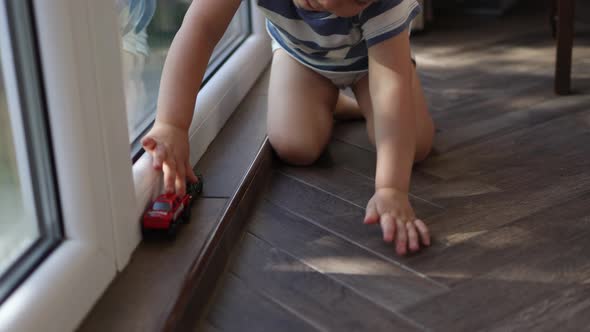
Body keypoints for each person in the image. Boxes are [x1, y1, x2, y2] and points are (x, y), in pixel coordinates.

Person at [141, 0, 435, 256]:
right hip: (303, 59)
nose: (367, 4)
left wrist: (391, 189)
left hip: (377, 65)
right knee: (295, 145)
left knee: (416, 146)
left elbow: (389, 90)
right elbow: (200, 28)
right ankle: (332, 103)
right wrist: (172, 124)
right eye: (358, 0)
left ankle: (364, 97)